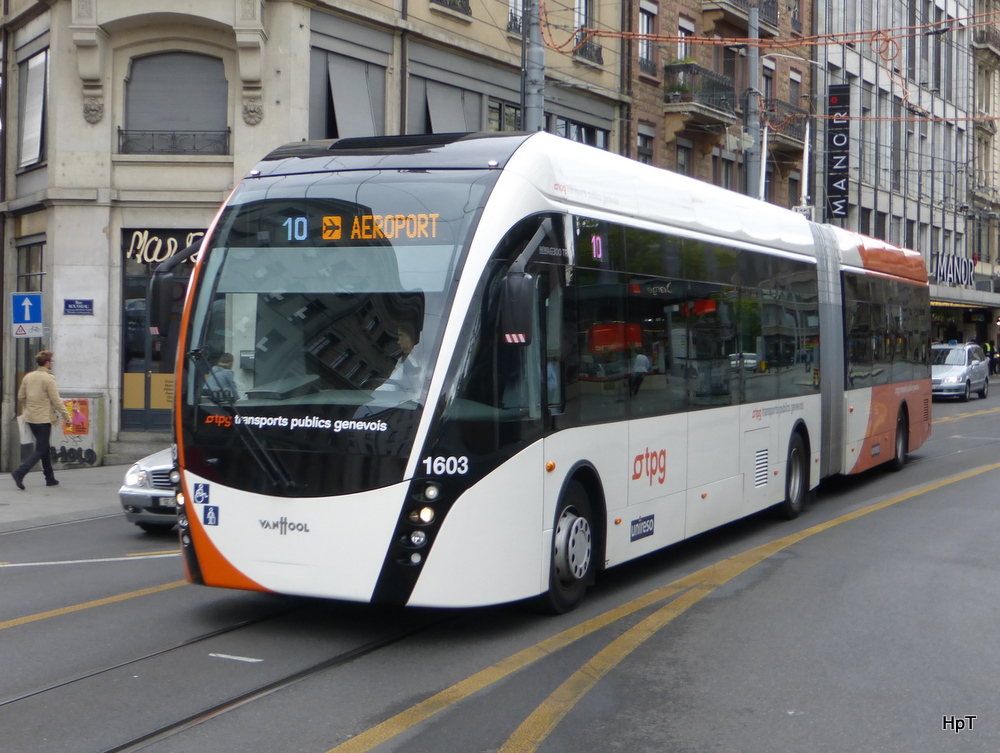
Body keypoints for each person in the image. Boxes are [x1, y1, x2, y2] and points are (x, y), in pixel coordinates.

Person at [12, 350, 72, 489]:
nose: (52, 363)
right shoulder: (48, 378)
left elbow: (21, 396)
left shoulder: (28, 377)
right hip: (43, 418)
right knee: (42, 447)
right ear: (47, 362)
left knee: (43, 446)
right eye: (52, 361)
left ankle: (49, 478)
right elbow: (56, 400)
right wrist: (67, 416)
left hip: (31, 417)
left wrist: (32, 403)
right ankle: (20, 472)